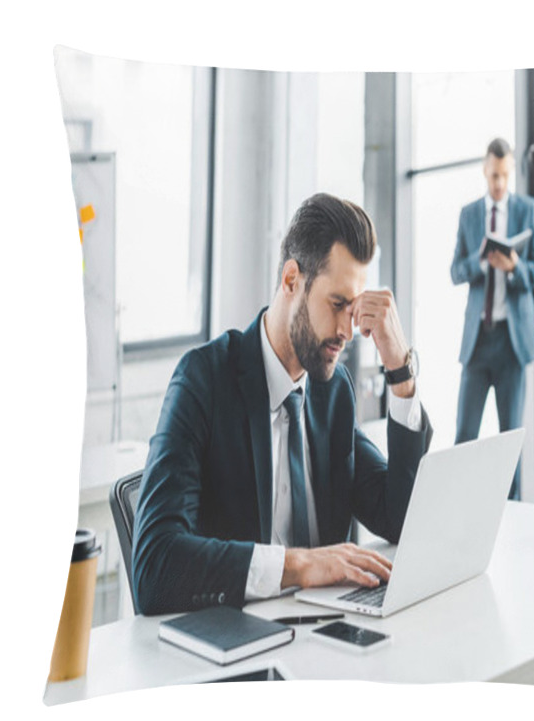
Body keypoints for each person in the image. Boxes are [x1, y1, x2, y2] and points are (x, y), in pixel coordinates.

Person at [132, 193, 432, 615]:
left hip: (322, 634)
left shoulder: (332, 392)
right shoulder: (204, 380)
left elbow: (399, 517)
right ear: (292, 280)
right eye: (338, 304)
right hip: (238, 644)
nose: (349, 330)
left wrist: (401, 372)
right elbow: (154, 568)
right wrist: (296, 565)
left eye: (357, 308)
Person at [450, 138, 534, 499]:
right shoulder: (469, 214)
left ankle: (515, 518)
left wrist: (514, 266)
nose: (500, 184)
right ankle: (456, 510)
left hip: (512, 344)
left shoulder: (527, 210)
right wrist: (479, 263)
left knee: (510, 443)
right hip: (477, 343)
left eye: (505, 176)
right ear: (484, 170)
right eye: (494, 176)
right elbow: (455, 271)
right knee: (464, 437)